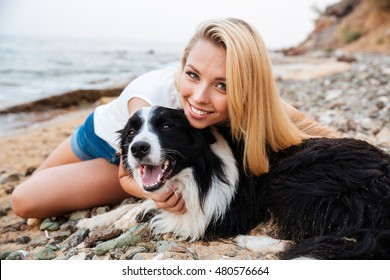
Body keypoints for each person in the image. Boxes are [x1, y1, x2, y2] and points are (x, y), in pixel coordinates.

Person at [11, 18, 337, 219]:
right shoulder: (148, 94)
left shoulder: (258, 103)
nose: (198, 97)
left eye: (222, 84)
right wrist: (152, 192)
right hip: (99, 137)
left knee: (25, 201)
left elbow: (314, 130)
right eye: (193, 75)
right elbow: (128, 176)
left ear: (247, 88)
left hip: (148, 161)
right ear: (182, 64)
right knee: (29, 191)